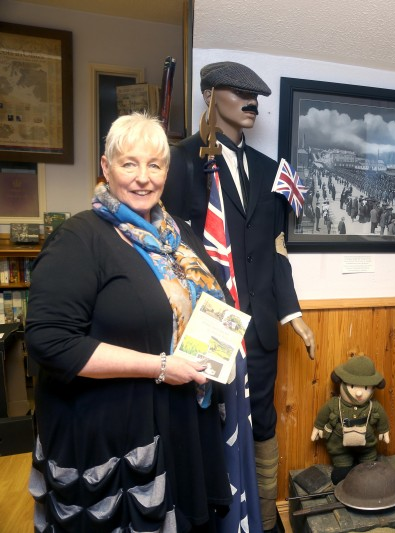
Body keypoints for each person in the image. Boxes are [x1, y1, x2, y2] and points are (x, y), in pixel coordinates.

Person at [25, 113, 232, 531]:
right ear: (106, 167)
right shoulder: (80, 238)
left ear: (167, 172)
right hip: (113, 437)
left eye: (154, 165)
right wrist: (159, 366)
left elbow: (216, 300)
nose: (143, 178)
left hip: (182, 423)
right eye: (129, 163)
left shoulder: (180, 235)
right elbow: (50, 342)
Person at [161, 61, 316, 533]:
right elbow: (173, 247)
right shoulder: (182, 162)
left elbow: (276, 249)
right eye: (240, 93)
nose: (252, 103)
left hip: (262, 327)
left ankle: (266, 520)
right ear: (211, 95)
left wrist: (293, 314)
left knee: (263, 426)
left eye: (257, 96)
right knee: (211, 428)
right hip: (210, 324)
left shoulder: (272, 171)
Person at [311, 355, 390, 484]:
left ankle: (367, 463)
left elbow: (382, 417)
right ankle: (343, 465)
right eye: (353, 386)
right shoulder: (334, 404)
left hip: (367, 446)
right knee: (341, 473)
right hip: (340, 445)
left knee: (370, 469)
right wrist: (318, 426)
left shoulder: (373, 406)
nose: (359, 394)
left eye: (365, 388)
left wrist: (383, 430)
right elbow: (323, 414)